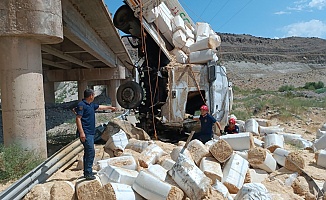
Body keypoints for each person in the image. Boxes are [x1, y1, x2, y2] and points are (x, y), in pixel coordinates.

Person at [75, 88, 116, 180]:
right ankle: (88, 173)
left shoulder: (90, 105)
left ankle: (87, 171)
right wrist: (82, 133)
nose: (94, 97)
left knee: (88, 152)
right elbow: (78, 119)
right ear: (91, 96)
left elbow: (100, 107)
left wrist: (110, 107)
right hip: (85, 133)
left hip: (90, 132)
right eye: (93, 95)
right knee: (90, 152)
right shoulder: (81, 105)